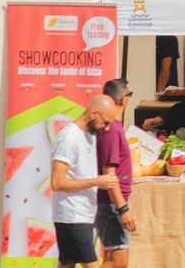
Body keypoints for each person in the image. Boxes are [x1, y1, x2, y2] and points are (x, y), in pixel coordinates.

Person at [51, 90, 121, 268]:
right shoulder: (68, 139)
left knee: (66, 263)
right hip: (72, 215)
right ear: (93, 113)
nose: (105, 128)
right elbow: (57, 182)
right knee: (91, 265)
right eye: (105, 123)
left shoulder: (89, 134)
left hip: (82, 214)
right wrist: (97, 181)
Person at [91, 80, 136, 268]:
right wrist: (123, 209)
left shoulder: (113, 128)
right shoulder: (112, 130)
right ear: (123, 99)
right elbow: (109, 173)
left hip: (112, 203)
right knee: (117, 261)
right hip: (111, 205)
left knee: (114, 259)